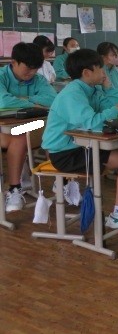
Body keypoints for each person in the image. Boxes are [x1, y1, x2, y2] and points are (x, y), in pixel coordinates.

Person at [42, 49, 118, 231]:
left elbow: (116, 107)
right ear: (87, 73)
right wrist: (115, 109)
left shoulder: (93, 89)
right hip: (65, 153)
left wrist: (109, 88)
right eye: (100, 68)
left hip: (84, 145)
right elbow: (92, 123)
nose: (104, 72)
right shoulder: (72, 94)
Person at [1, 43, 57, 212]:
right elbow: (3, 101)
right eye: (28, 68)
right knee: (19, 138)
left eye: (35, 69)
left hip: (26, 129)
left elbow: (52, 99)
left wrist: (22, 100)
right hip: (3, 130)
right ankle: (14, 188)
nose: (31, 73)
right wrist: (33, 102)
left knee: (53, 132)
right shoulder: (2, 76)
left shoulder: (38, 79)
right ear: (14, 62)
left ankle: (61, 182)